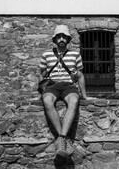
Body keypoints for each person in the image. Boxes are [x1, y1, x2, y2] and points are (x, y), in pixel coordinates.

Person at [39, 25, 87, 158]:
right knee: (47, 100)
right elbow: (42, 75)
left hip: (69, 85)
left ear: (68, 39)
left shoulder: (75, 54)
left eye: (64, 37)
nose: (61, 39)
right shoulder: (46, 55)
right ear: (54, 40)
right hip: (52, 85)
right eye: (59, 37)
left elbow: (80, 75)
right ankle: (63, 140)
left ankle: (61, 137)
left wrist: (85, 96)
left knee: (74, 100)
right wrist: (41, 91)